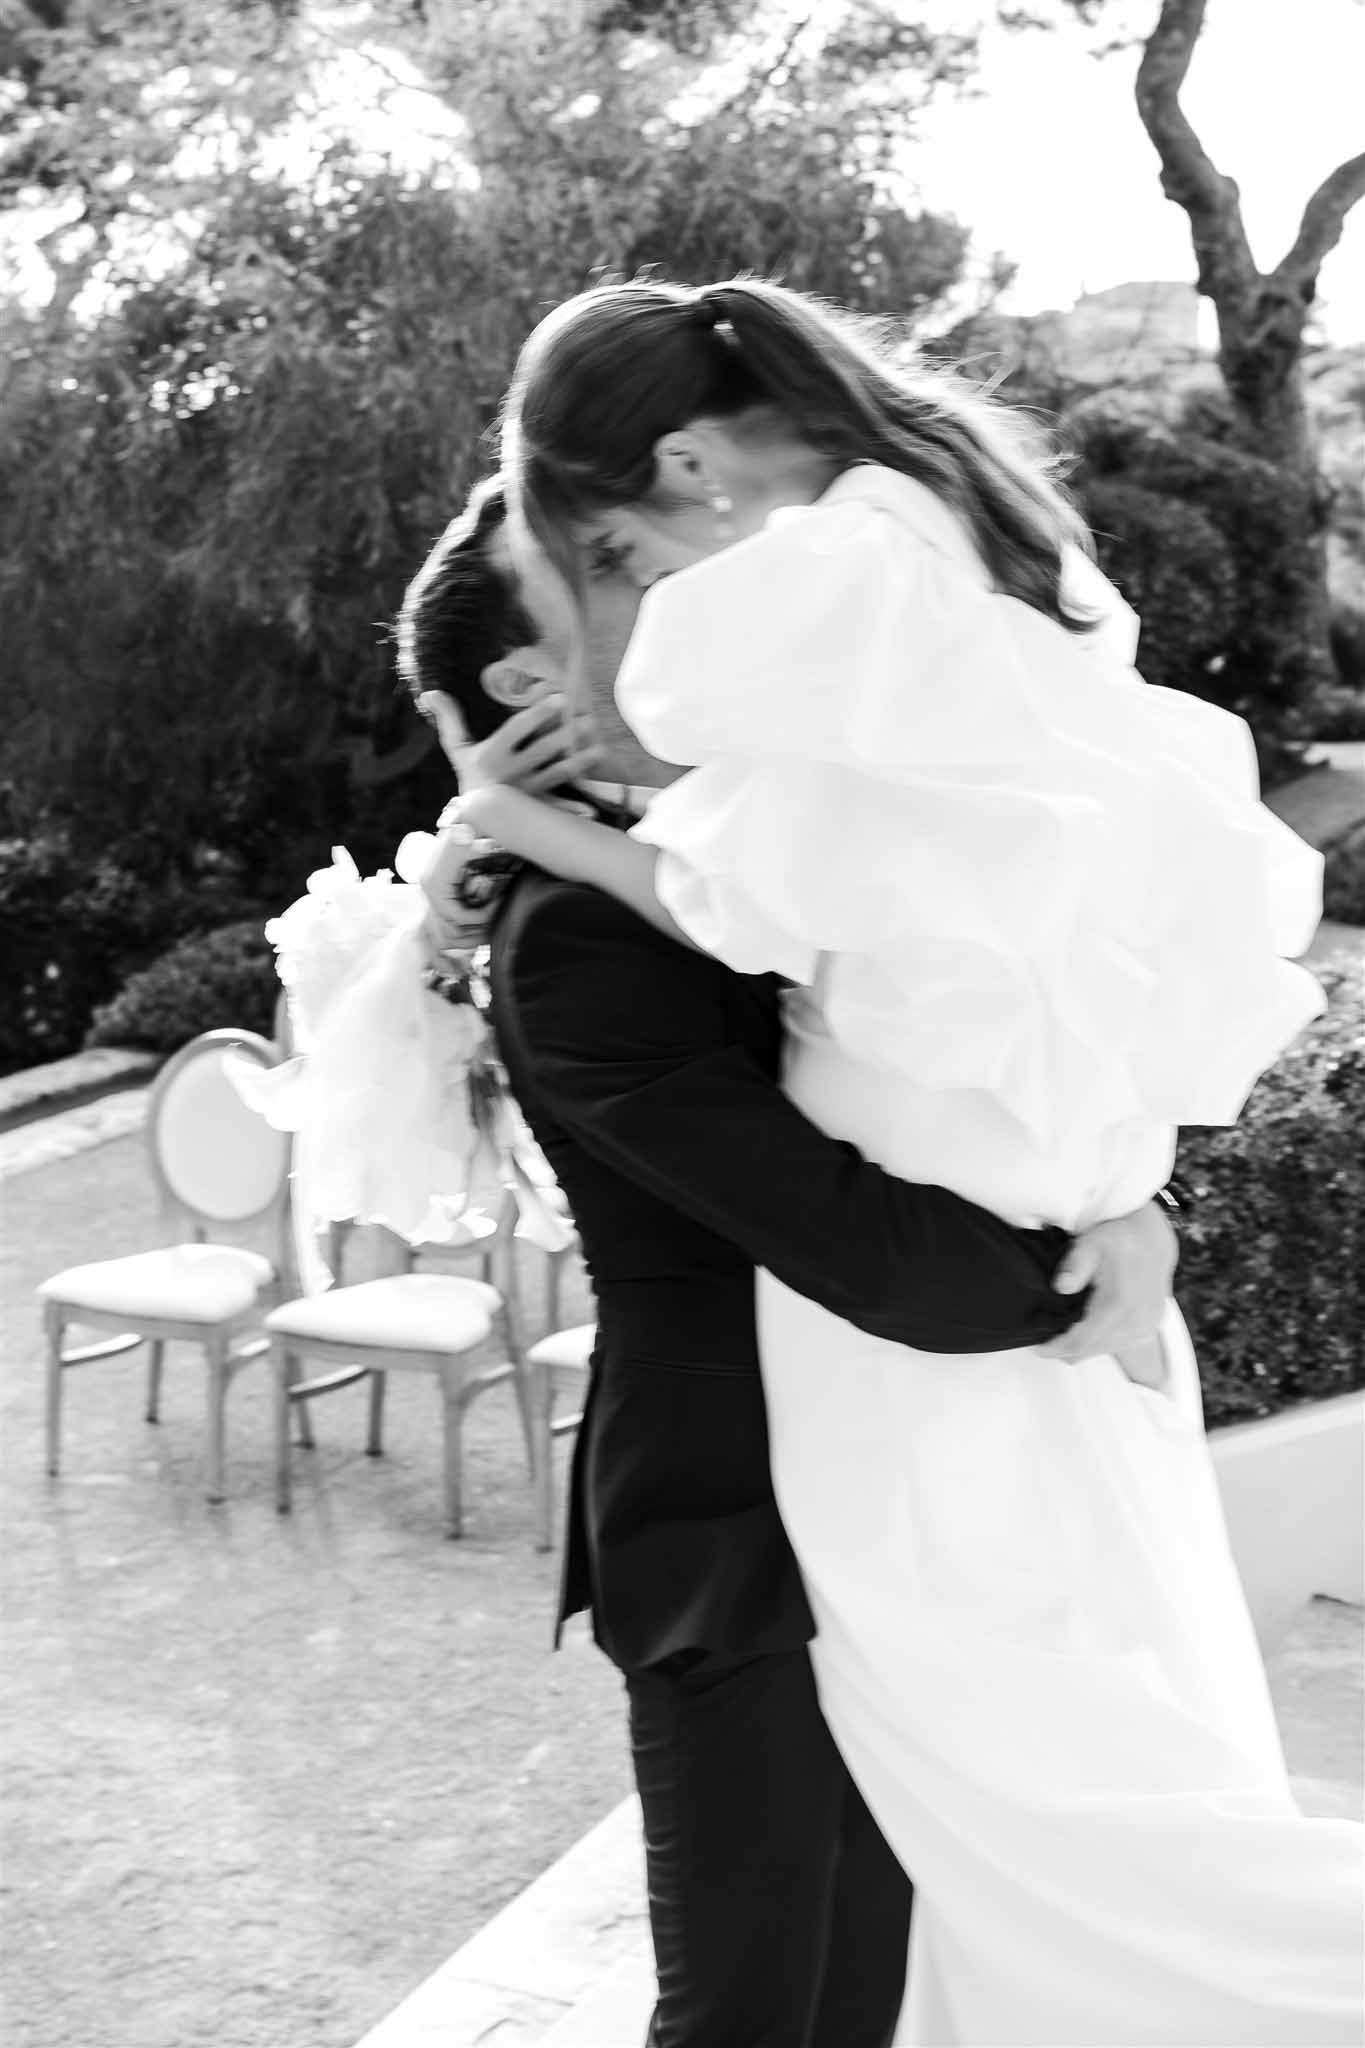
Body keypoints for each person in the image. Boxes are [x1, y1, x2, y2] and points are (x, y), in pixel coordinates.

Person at [448, 278, 1364, 2045]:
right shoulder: (942, 565)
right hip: (903, 1342)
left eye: (621, 560)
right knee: (1047, 1793)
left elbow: (782, 925)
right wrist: (1109, 1214)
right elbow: (1001, 963)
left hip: (911, 1352)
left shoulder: (821, 623)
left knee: (1046, 1816)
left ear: (692, 465)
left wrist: (510, 825)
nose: (638, 626)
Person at [397, 477, 1179, 2048]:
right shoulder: (576, 943)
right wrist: (1086, 1276)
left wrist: (1141, 1209)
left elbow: (970, 1065)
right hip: (734, 1537)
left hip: (882, 1506)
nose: (681, 589)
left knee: (870, 1973)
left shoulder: (747, 854)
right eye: (603, 577)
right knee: (757, 2010)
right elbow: (850, 1236)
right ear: (525, 685)